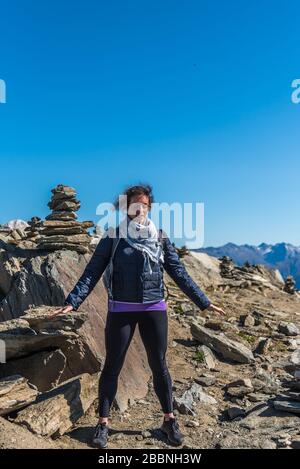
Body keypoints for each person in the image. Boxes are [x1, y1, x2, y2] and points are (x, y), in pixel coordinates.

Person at [51, 184, 226, 448]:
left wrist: (204, 302)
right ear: (126, 207)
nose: (139, 209)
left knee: (159, 364)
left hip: (154, 308)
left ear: (149, 207)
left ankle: (169, 419)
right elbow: (92, 272)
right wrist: (72, 302)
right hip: (120, 309)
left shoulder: (160, 237)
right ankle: (103, 423)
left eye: (143, 204)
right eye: (134, 205)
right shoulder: (113, 237)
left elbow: (179, 273)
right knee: (113, 365)